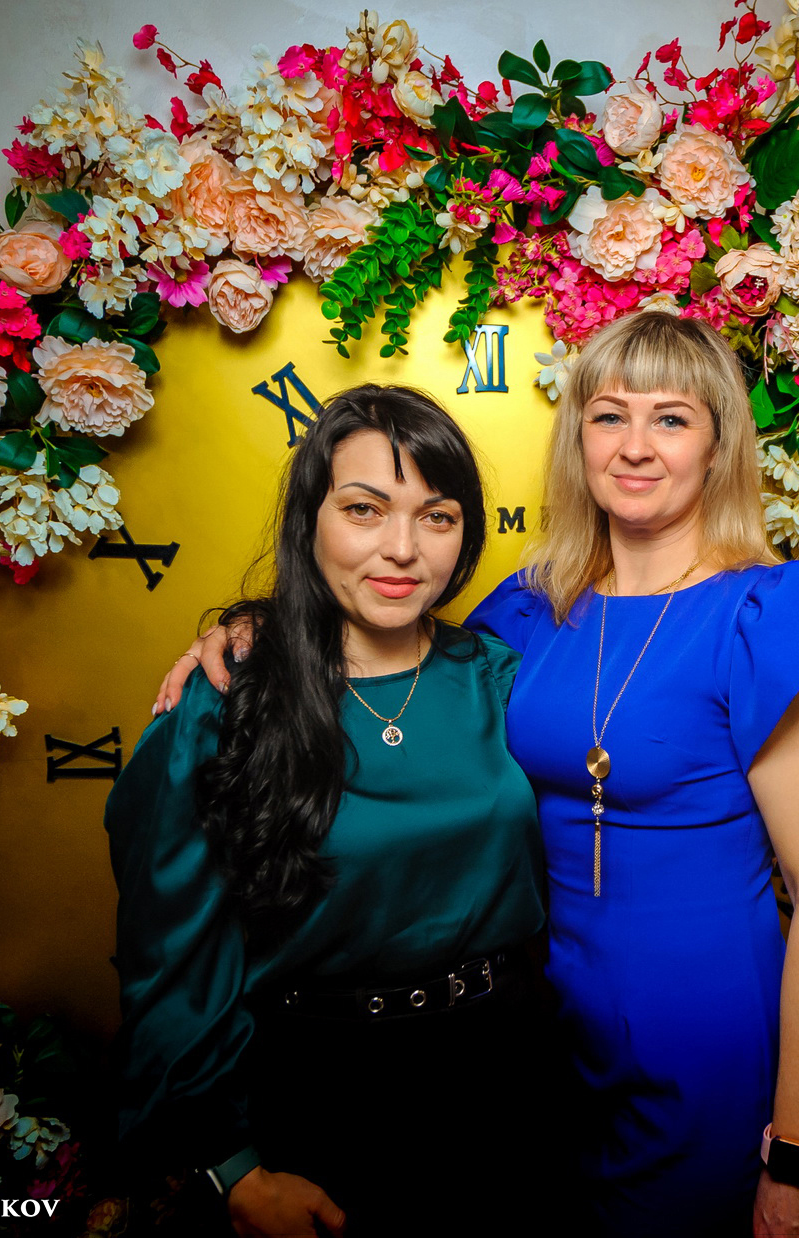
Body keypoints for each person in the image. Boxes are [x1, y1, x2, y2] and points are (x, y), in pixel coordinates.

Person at [161, 312, 799, 1238]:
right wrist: (258, 630)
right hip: (534, 1046)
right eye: (608, 415)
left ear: (719, 447)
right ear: (577, 436)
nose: (634, 446)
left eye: (671, 419)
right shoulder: (527, 612)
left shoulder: (768, 613)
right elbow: (386, 640)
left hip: (701, 1037)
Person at [110, 384, 573, 1237]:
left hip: (508, 1074)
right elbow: (168, 955)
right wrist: (233, 1167)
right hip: (316, 1093)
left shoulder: (499, 675)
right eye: (364, 509)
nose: (402, 549)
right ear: (310, 521)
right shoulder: (226, 701)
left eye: (437, 517)